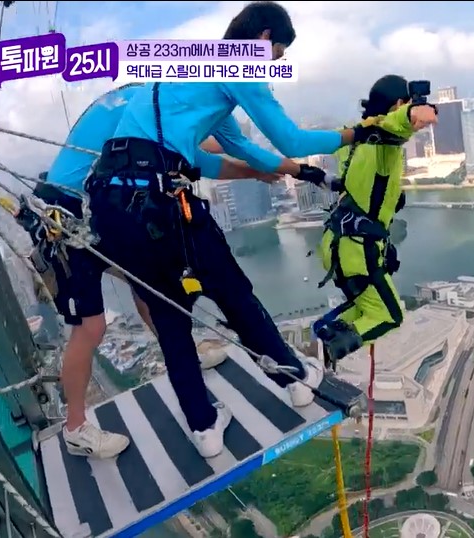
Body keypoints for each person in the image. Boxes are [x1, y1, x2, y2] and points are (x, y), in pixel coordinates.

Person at [84, 1, 437, 459]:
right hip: (161, 202)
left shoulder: (190, 72)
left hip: (112, 204)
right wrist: (359, 132)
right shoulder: (238, 64)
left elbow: (243, 150)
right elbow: (290, 139)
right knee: (236, 297)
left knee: (170, 320)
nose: (274, 65)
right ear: (264, 37)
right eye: (278, 54)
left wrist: (302, 173)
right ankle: (297, 380)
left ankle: (204, 428)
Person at [23, 82, 326, 460]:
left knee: (151, 289)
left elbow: (194, 155)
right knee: (92, 327)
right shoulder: (151, 108)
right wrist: (258, 163)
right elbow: (204, 156)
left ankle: (186, 358)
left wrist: (252, 167)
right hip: (69, 217)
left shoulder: (144, 102)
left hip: (107, 208)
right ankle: (76, 428)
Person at [312, 75, 437, 364]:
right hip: (357, 249)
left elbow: (361, 183)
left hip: (339, 243)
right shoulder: (384, 138)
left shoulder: (354, 136)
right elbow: (397, 123)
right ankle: (323, 349)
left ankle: (323, 334)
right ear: (398, 103)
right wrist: (418, 110)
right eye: (405, 103)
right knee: (390, 315)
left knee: (365, 308)